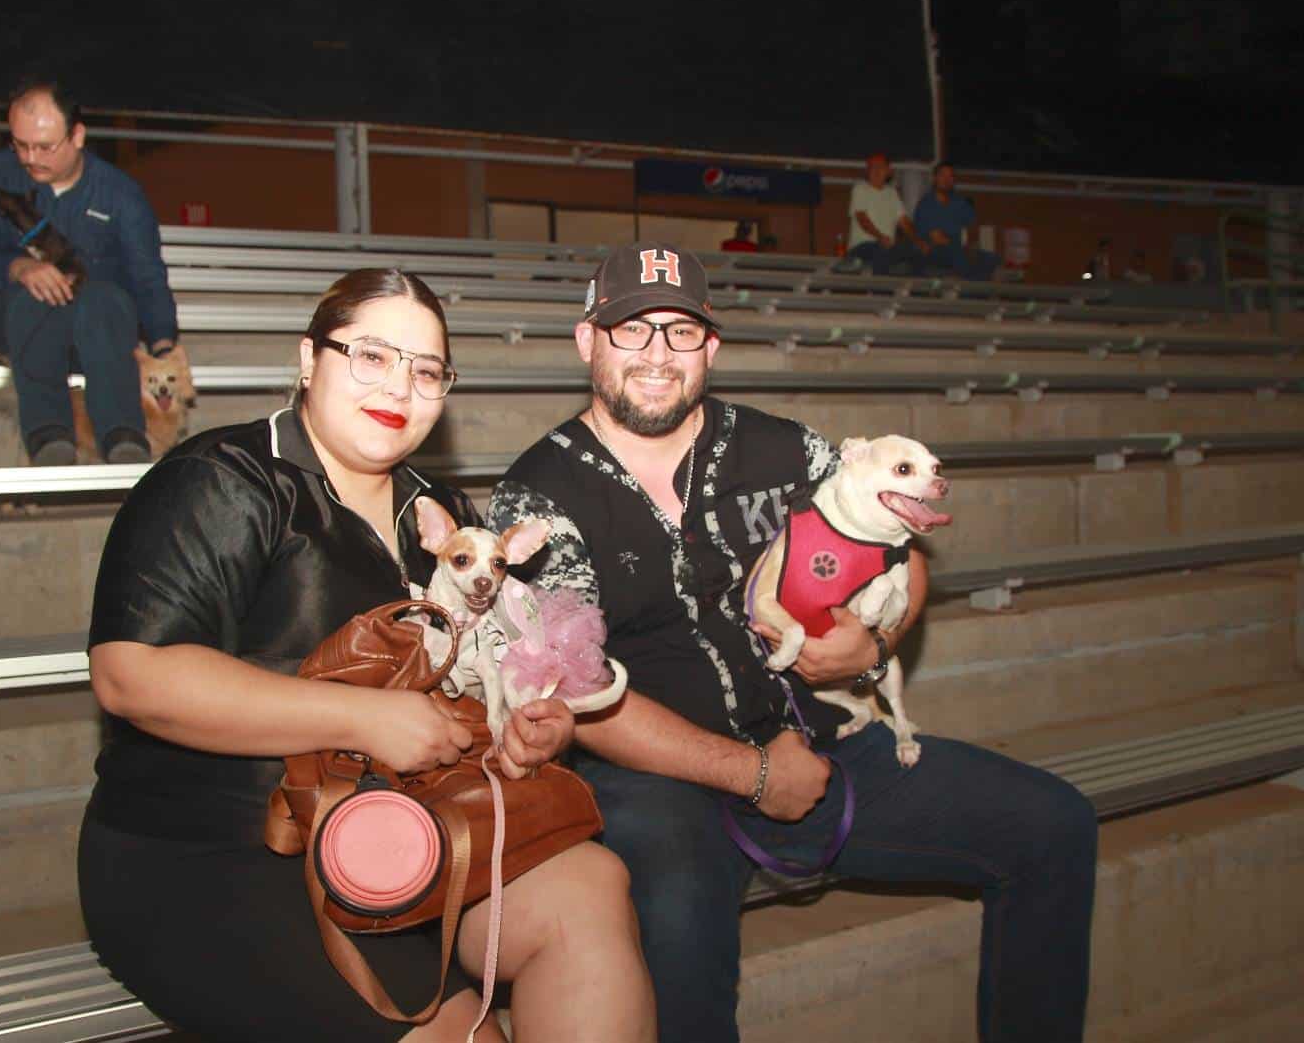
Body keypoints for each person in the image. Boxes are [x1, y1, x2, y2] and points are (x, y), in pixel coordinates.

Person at [487, 241, 1097, 1043]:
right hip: (656, 780)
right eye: (632, 330)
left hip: (821, 739)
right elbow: (577, 694)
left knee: (1054, 824)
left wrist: (875, 642)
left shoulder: (785, 449)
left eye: (680, 332)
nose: (657, 355)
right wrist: (753, 773)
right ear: (587, 342)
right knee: (674, 930)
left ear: (710, 347)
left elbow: (902, 557)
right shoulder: (537, 495)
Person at [80, 268, 655, 1042]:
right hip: (214, 848)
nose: (401, 387)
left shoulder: (440, 512)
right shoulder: (222, 480)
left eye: (426, 371)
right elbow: (131, 676)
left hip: (413, 825)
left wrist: (527, 723)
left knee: (591, 887)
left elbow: (497, 659)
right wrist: (365, 716)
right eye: (372, 356)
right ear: (309, 360)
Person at [0, 77, 173, 466]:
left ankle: (123, 433)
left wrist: (163, 344)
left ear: (77, 136)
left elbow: (147, 274)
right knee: (35, 295)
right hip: (18, 324)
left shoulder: (119, 193)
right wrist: (18, 267)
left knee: (106, 296)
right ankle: (48, 435)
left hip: (101, 331)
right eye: (20, 145)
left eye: (44, 146)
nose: (30, 157)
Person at [912, 161, 1000, 281]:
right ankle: (965, 283)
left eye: (950, 176)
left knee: (991, 258)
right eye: (943, 175)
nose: (946, 179)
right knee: (955, 249)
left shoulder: (960, 203)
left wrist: (971, 244)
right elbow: (936, 237)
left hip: (958, 250)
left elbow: (973, 227)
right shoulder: (925, 204)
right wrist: (957, 245)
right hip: (933, 250)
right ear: (934, 178)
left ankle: (967, 289)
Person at [844, 152, 927, 276]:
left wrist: (918, 241)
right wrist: (880, 237)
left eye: (880, 167)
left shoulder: (892, 193)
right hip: (861, 248)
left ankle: (916, 291)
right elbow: (862, 219)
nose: (876, 170)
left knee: (917, 250)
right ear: (867, 172)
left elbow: (904, 222)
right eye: (872, 167)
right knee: (880, 249)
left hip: (887, 247)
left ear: (889, 171)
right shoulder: (860, 189)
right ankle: (880, 292)